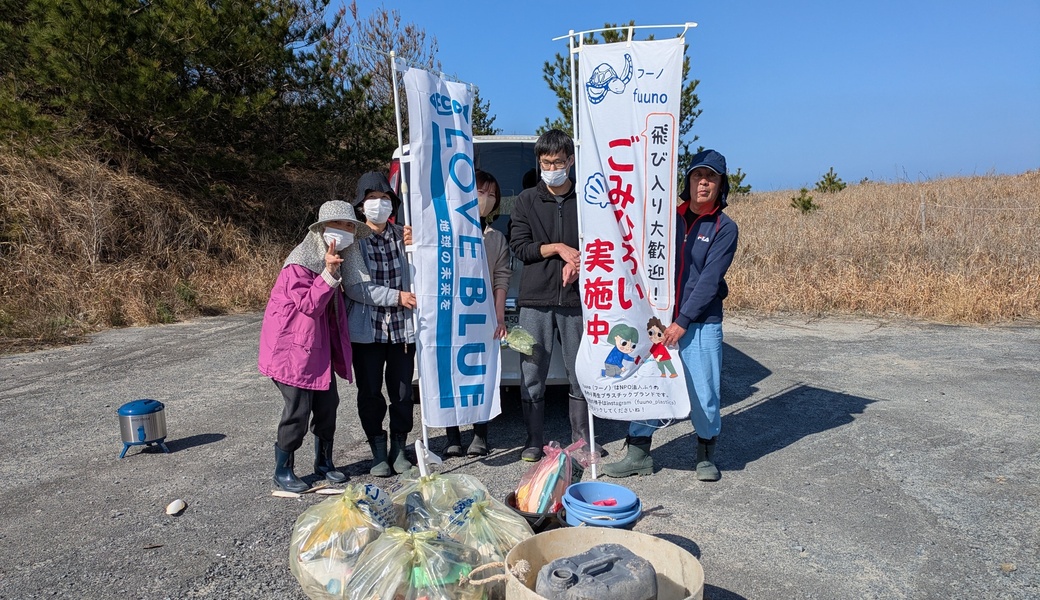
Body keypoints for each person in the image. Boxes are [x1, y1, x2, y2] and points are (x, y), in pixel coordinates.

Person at [601, 149, 739, 481]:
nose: (703, 183)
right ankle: (638, 453)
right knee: (649, 381)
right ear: (687, 182)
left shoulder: (724, 227)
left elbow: (709, 280)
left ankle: (705, 453)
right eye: (696, 176)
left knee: (703, 389)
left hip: (700, 322)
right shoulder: (667, 218)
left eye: (711, 178)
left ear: (721, 185)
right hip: (657, 320)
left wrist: (684, 320)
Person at [258, 200, 370, 492]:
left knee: (327, 406)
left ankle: (324, 463)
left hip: (316, 351)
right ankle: (283, 470)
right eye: (339, 226)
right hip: (290, 351)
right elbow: (309, 306)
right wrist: (329, 275)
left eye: (350, 226)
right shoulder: (299, 264)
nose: (345, 232)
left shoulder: (332, 260)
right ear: (322, 230)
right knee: (297, 409)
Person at [508, 129, 598, 462]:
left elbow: (601, 244)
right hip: (535, 300)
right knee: (532, 371)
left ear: (570, 161)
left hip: (578, 301)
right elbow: (520, 247)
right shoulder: (526, 200)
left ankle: (582, 438)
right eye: (546, 162)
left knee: (581, 371)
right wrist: (558, 248)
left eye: (558, 161)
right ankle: (533, 440)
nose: (552, 168)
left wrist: (579, 261)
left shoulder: (588, 200)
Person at [344, 172, 417, 477]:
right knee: (370, 393)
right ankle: (377, 449)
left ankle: (400, 447)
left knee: (402, 393)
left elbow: (421, 275)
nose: (378, 204)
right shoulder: (353, 242)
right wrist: (396, 296)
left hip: (402, 331)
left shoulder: (405, 235)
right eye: (372, 198)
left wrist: (418, 247)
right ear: (361, 206)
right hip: (367, 332)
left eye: (385, 198)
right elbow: (355, 287)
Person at [441, 170, 511, 457]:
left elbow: (501, 278)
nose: (486, 199)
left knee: (480, 372)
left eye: (492, 195)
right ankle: (452, 434)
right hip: (451, 314)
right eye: (480, 192)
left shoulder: (496, 238)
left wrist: (499, 317)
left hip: (481, 317)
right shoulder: (447, 231)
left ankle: (480, 433)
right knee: (450, 370)